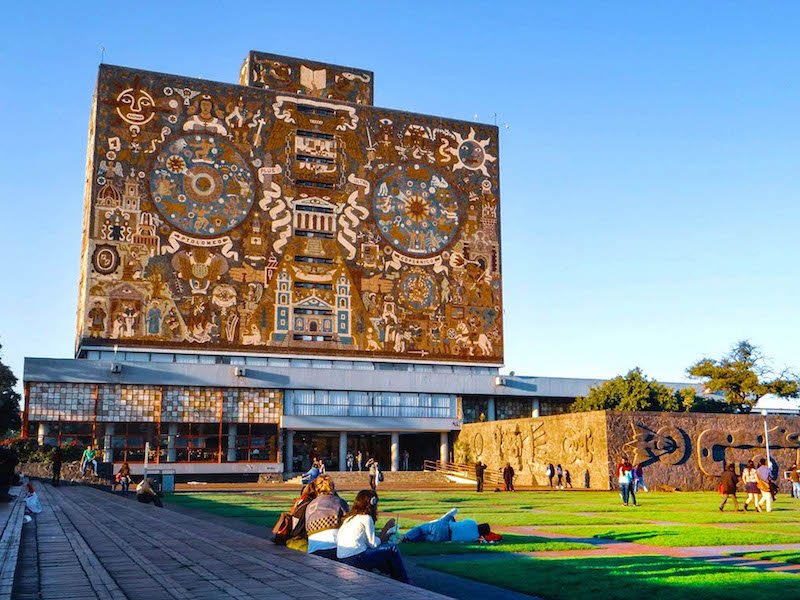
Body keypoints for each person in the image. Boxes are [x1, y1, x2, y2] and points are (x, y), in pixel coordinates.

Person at [336, 489, 409, 583]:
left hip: (343, 559)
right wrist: (386, 528)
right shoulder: (366, 518)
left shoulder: (349, 519)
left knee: (383, 551)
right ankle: (404, 581)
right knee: (392, 548)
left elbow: (367, 541)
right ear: (372, 502)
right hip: (356, 559)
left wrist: (384, 536)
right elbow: (373, 544)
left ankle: (392, 577)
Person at [305, 475, 349, 559]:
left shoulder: (310, 506)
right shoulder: (339, 501)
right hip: (335, 547)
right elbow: (349, 523)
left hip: (313, 550)